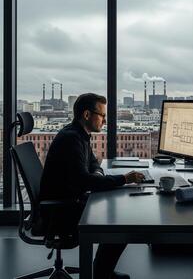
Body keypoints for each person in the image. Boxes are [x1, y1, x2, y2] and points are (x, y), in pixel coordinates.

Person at [39, 93, 145, 279]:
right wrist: (124, 179)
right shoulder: (72, 139)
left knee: (117, 210)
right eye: (102, 115)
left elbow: (94, 164)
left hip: (70, 200)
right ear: (87, 115)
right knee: (120, 223)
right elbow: (84, 181)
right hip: (61, 211)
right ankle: (101, 273)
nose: (104, 121)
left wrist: (97, 175)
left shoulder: (79, 134)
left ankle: (101, 271)